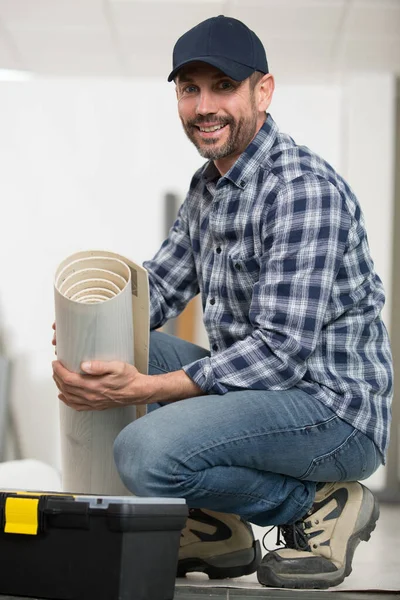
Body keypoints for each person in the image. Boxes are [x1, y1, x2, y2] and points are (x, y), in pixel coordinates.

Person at [52, 15, 393, 590]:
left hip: (331, 411)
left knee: (143, 454)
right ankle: (222, 529)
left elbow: (281, 355)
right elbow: (158, 284)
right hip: (267, 397)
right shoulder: (208, 187)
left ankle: (315, 503)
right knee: (136, 348)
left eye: (223, 86)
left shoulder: (301, 189)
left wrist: (148, 389)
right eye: (190, 89)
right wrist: (87, 330)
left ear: (263, 91)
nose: (204, 105)